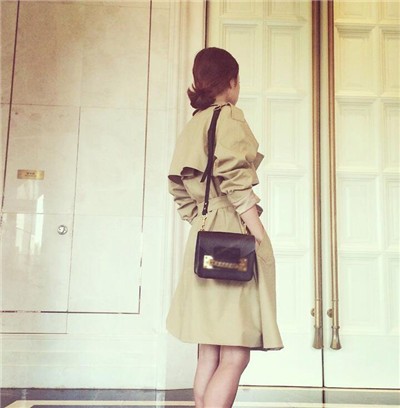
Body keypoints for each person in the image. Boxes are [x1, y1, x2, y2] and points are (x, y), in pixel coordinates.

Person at [167, 47, 283, 408]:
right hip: (232, 236)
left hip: (203, 237)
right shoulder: (229, 117)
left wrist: (202, 218)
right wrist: (258, 233)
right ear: (231, 82)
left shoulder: (194, 124)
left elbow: (177, 186)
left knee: (209, 352)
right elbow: (234, 178)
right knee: (235, 354)